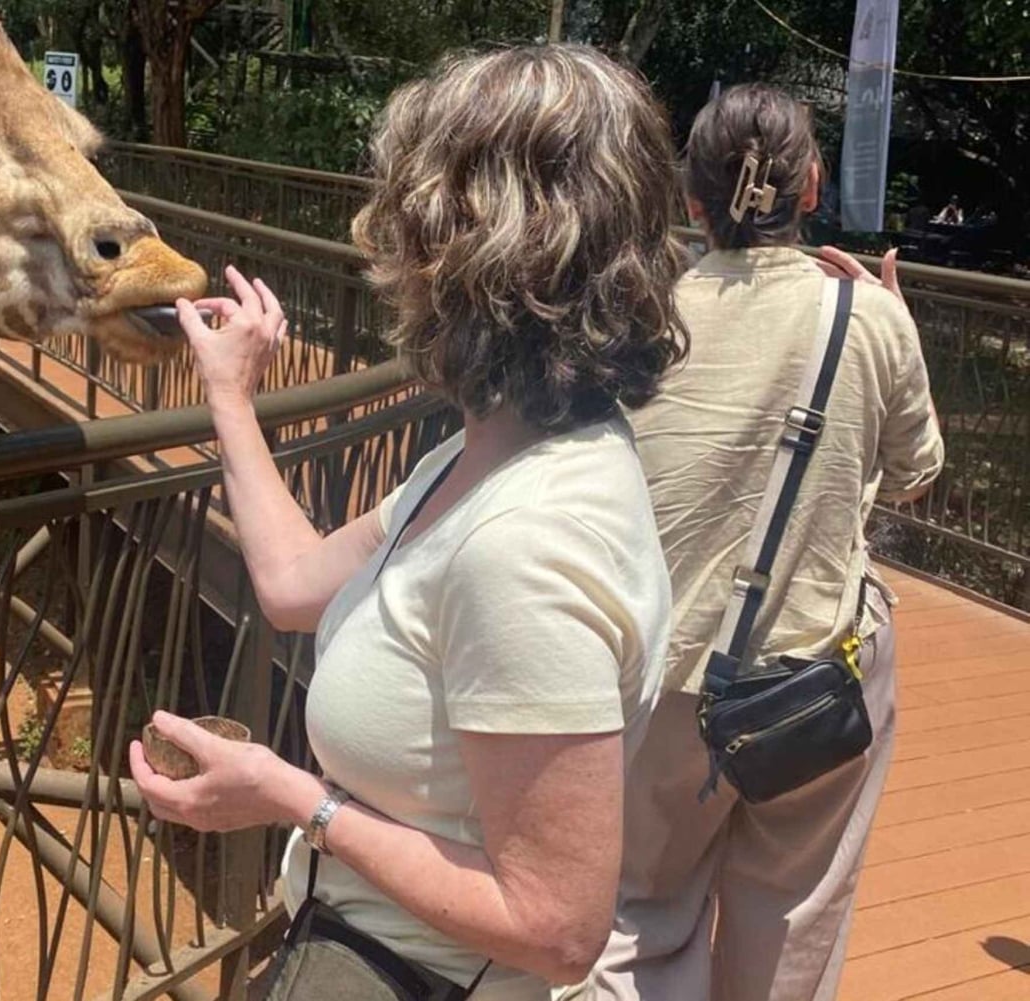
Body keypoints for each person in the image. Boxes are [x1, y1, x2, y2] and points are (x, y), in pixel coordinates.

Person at [128, 45, 690, 1001]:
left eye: (403, 226)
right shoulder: (491, 457)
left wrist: (291, 797)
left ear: (457, 256)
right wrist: (231, 395)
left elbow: (557, 929)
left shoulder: (524, 543)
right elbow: (293, 581)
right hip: (356, 949)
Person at [578, 83, 944, 1001]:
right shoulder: (868, 319)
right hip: (816, 678)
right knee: (790, 926)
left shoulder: (638, 317)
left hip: (660, 673)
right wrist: (893, 322)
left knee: (630, 914)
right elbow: (916, 471)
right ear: (813, 186)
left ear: (691, 200)